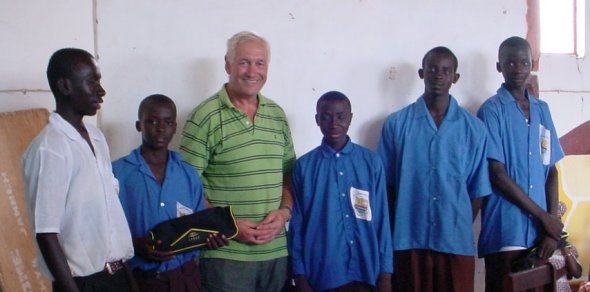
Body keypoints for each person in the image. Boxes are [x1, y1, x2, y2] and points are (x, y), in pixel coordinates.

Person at [179, 31, 296, 292]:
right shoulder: (204, 117)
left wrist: (285, 212)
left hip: (275, 253)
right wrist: (227, 225)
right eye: (244, 62)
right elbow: (185, 187)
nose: (252, 71)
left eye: (260, 63)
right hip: (225, 256)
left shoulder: (277, 115)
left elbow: (288, 174)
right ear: (228, 65)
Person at [22, 48, 136, 291]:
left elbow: (108, 218)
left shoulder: (96, 137)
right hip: (83, 283)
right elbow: (46, 233)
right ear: (65, 86)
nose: (101, 91)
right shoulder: (50, 148)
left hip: (117, 275)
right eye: (91, 81)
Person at [377, 46, 491, 291]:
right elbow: (386, 187)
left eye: (446, 70)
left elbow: (478, 190)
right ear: (422, 73)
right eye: (432, 69)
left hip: (455, 241)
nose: (438, 75)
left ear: (455, 78)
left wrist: (455, 222)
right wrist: (401, 223)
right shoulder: (397, 125)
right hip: (409, 238)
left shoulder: (474, 130)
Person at [112, 94, 229, 291]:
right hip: (138, 279)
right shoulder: (117, 173)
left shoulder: (188, 174)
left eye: (167, 122)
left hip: (184, 278)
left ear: (175, 127)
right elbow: (104, 229)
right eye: (152, 121)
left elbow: (199, 224)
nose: (160, 128)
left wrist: (209, 239)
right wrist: (134, 245)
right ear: (138, 125)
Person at [476, 36, 565, 292]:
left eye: (524, 62)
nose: (518, 69)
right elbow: (497, 174)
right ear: (499, 67)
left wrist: (551, 228)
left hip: (540, 236)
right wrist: (543, 218)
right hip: (506, 230)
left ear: (532, 65)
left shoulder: (542, 110)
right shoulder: (492, 110)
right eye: (510, 63)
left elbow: (552, 171)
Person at [288, 91, 393, 292]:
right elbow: (297, 226)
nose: (333, 123)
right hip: (322, 273)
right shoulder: (304, 167)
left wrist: (385, 274)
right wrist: (299, 276)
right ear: (317, 119)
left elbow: (382, 220)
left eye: (340, 116)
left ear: (351, 118)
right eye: (326, 117)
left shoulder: (371, 163)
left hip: (366, 272)